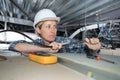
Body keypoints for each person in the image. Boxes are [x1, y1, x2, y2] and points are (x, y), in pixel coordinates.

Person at [9, 9, 101, 57]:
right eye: (48, 26)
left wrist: (94, 49)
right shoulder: (35, 44)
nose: (53, 30)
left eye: (54, 26)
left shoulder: (67, 43)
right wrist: (45, 49)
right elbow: (13, 46)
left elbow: (88, 51)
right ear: (38, 30)